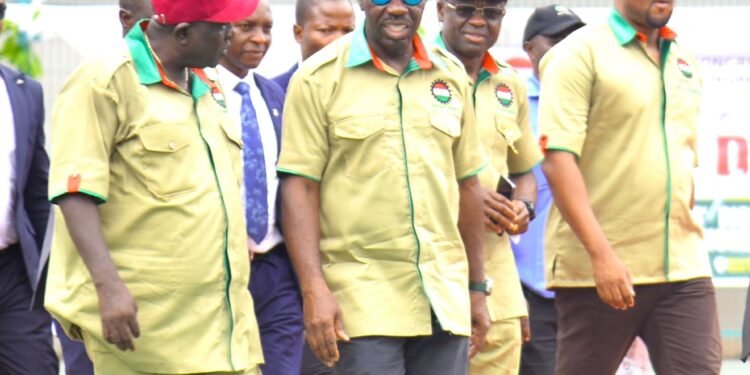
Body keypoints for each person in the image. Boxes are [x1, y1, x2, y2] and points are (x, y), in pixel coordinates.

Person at [45, 0, 265, 374]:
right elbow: (75, 192)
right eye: (222, 27)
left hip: (225, 331)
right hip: (148, 331)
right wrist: (108, 288)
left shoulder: (206, 86)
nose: (232, 34)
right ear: (183, 34)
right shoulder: (105, 80)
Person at [277, 0, 491, 373]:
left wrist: (476, 289)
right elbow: (300, 187)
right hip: (358, 303)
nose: (396, 8)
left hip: (443, 299)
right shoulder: (318, 76)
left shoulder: (451, 74)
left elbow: (468, 185)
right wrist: (313, 290)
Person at [540, 0, 722, 373]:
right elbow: (558, 161)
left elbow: (685, 160)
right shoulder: (578, 54)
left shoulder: (683, 61)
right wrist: (601, 256)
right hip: (602, 268)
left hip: (682, 267)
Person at [436, 1, 542, 373]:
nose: (479, 21)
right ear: (439, 11)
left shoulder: (509, 83)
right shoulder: (416, 73)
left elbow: (527, 171)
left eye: (491, 13)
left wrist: (524, 207)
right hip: (436, 270)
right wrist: (465, 196)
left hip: (499, 276)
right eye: (466, 9)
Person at [215, 1, 304, 374]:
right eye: (246, 27)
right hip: (220, 267)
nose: (260, 38)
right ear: (220, 28)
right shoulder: (197, 94)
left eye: (267, 29)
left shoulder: (275, 96)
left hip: (276, 267)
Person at [512, 4, 584, 374]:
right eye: (556, 41)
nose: (568, 49)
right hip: (530, 288)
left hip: (591, 284)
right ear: (530, 48)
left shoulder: (598, 103)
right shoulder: (511, 102)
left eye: (574, 39)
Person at [0, 1, 56, 373]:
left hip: (14, 273)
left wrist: (49, 278)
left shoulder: (25, 92)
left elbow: (38, 193)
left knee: (35, 365)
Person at [272, 0, 355, 92]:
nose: (340, 40)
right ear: (298, 33)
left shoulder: (363, 87)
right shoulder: (273, 94)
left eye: (348, 31)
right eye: (326, 30)